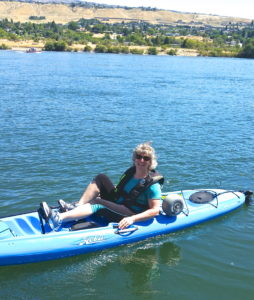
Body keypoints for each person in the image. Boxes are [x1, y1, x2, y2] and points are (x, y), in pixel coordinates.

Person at [40, 142, 163, 230]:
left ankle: (58, 218)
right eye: (138, 156)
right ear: (134, 158)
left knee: (98, 202)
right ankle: (78, 206)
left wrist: (132, 219)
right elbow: (125, 189)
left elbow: (155, 210)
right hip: (120, 201)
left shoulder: (153, 185)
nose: (141, 160)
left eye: (145, 158)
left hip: (130, 212)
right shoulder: (132, 173)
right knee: (101, 178)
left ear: (150, 162)